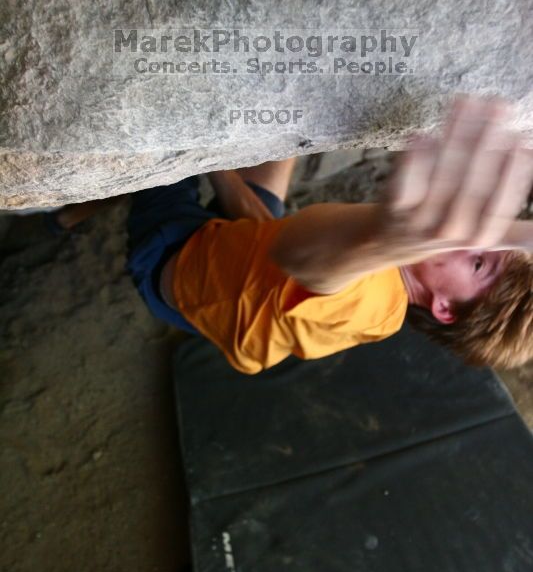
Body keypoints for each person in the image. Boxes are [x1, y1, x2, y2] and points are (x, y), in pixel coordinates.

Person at [127, 95, 533, 374]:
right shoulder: (384, 312)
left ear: (445, 308)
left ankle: (70, 215)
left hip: (173, 261)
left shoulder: (371, 299)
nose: (470, 240)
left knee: (158, 135)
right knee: (283, 134)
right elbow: (278, 238)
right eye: (494, 243)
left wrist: (206, 159)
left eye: (479, 263)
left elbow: (296, 252)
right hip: (244, 254)